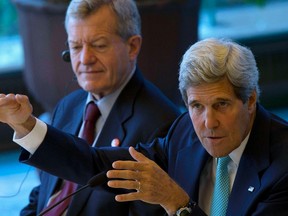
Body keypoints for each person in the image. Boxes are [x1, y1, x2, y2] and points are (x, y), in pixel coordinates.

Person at [1, 38, 288, 215]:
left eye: (222, 105)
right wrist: (26, 125)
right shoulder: (184, 132)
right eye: (196, 106)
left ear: (250, 100)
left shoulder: (283, 168)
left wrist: (179, 205)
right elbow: (96, 164)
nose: (208, 123)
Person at [9, 0, 181, 215]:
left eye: (99, 45)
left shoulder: (162, 125)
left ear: (132, 47)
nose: (85, 59)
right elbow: (44, 192)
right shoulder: (69, 105)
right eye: (76, 46)